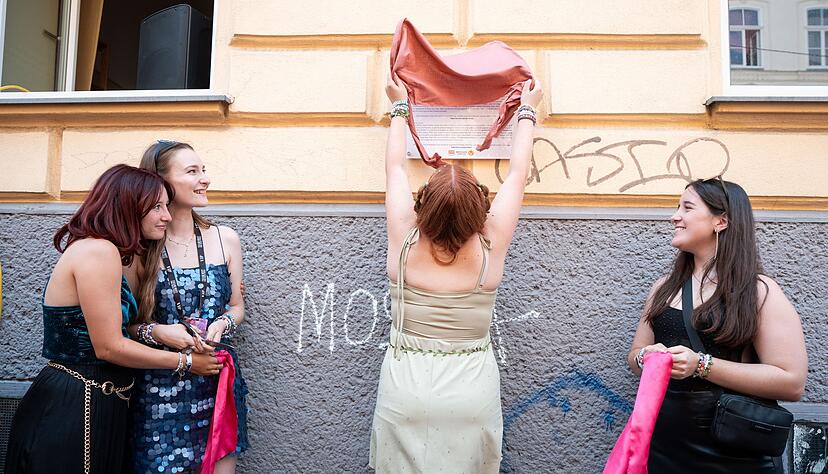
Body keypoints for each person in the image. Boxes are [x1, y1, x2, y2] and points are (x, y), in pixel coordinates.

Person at [368, 75, 542, 473]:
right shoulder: (490, 244)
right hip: (471, 392)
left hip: (405, 389)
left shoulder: (404, 237)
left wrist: (400, 106)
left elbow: (395, 168)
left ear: (422, 205)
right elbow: (517, 175)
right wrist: (527, 111)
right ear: (480, 208)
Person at [5, 165, 221, 474]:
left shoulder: (124, 256)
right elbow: (109, 346)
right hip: (73, 404)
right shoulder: (98, 251)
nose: (167, 216)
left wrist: (160, 332)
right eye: (157, 207)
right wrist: (186, 363)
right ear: (128, 206)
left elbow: (121, 325)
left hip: (104, 401)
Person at [627, 178, 808, 473]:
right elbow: (635, 354)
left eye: (686, 208)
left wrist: (701, 365)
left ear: (720, 221)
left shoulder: (759, 290)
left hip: (732, 455)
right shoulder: (664, 288)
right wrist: (644, 357)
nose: (675, 216)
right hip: (663, 449)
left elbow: (791, 381)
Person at [126, 140, 249, 474]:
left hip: (216, 383)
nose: (204, 179)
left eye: (203, 170)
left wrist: (223, 324)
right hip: (158, 392)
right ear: (162, 183)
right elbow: (125, 326)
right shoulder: (141, 246)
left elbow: (237, 306)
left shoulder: (226, 239)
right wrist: (160, 332)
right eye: (192, 171)